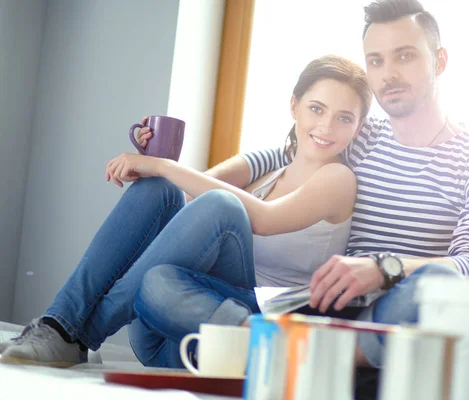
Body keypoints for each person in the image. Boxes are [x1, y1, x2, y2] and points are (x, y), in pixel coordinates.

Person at [135, 0, 469, 369]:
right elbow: (287, 152)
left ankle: (274, 354)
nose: (389, 73)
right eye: (376, 60)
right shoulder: (361, 134)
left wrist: (383, 268)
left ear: (439, 60)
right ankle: (303, 354)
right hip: (311, 309)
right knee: (158, 284)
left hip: (390, 314)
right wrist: (194, 179)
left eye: (405, 56)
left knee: (436, 282)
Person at [0, 55, 372, 368]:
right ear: (294, 106)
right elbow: (188, 199)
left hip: (237, 323)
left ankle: (74, 332)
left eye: (344, 117)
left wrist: (162, 164)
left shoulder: (338, 179)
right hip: (168, 326)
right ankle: (60, 324)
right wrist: (152, 161)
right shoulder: (272, 165)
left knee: (196, 234)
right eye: (316, 108)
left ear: (358, 127)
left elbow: (265, 218)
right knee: (159, 190)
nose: (326, 126)